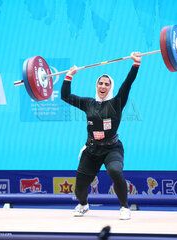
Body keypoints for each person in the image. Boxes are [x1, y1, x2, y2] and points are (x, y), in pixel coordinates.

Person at [61, 52, 141, 220]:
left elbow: (127, 84)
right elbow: (65, 96)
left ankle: (125, 207)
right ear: (96, 86)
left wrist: (136, 64)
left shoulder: (117, 103)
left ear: (110, 87)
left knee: (114, 170)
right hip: (91, 150)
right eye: (100, 83)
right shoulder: (88, 103)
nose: (103, 86)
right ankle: (83, 205)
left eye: (106, 84)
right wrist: (69, 76)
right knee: (79, 189)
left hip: (112, 148)